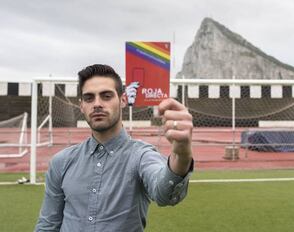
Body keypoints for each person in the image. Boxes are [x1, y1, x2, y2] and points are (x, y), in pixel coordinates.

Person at [35, 64, 193, 232]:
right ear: (81, 105)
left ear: (123, 100)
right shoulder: (61, 162)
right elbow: (48, 225)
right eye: (89, 98)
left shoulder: (141, 156)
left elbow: (165, 194)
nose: (97, 104)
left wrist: (181, 154)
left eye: (106, 96)